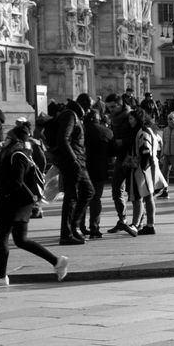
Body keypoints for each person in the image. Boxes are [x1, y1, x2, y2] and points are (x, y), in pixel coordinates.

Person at [0, 122, 69, 286]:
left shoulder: (17, 156)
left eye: (8, 138)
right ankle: (57, 261)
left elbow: (16, 182)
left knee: (2, 239)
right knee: (21, 240)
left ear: (14, 140)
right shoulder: (22, 154)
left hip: (11, 203)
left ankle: (1, 276)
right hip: (20, 203)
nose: (4, 141)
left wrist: (4, 195)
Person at [48, 93, 94, 246]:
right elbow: (63, 139)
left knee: (88, 191)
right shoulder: (70, 115)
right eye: (89, 107)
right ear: (84, 104)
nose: (89, 111)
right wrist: (73, 159)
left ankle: (74, 226)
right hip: (73, 162)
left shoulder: (74, 115)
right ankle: (66, 233)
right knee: (72, 196)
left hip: (78, 161)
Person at [128, 110, 162, 235]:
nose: (129, 121)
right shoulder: (148, 131)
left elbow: (145, 151)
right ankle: (149, 225)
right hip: (149, 167)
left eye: (131, 119)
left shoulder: (142, 132)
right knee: (148, 197)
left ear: (137, 119)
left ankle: (136, 224)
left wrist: (141, 167)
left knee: (138, 196)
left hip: (143, 168)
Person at [105, 94, 135, 234]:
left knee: (134, 192)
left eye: (112, 107)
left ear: (120, 104)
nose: (110, 110)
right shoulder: (114, 118)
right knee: (117, 189)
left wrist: (122, 142)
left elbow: (137, 136)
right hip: (120, 157)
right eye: (108, 107)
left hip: (131, 159)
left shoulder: (130, 116)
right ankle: (122, 220)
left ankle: (137, 222)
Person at [81, 110, 112, 236]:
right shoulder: (106, 131)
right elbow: (112, 151)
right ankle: (94, 228)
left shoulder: (81, 130)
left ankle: (79, 227)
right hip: (100, 168)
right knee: (96, 199)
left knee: (82, 198)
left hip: (83, 168)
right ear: (98, 119)